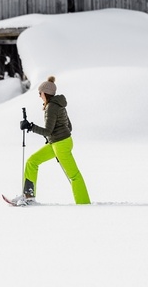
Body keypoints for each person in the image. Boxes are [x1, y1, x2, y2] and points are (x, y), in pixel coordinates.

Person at [14, 76, 90, 205]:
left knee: (74, 175)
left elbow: (48, 131)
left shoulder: (51, 107)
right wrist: (52, 138)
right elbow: (68, 127)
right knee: (32, 161)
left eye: (40, 93)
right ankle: (28, 196)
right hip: (58, 143)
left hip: (60, 144)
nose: (39, 96)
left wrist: (30, 127)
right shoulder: (59, 104)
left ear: (45, 93)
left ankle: (84, 203)